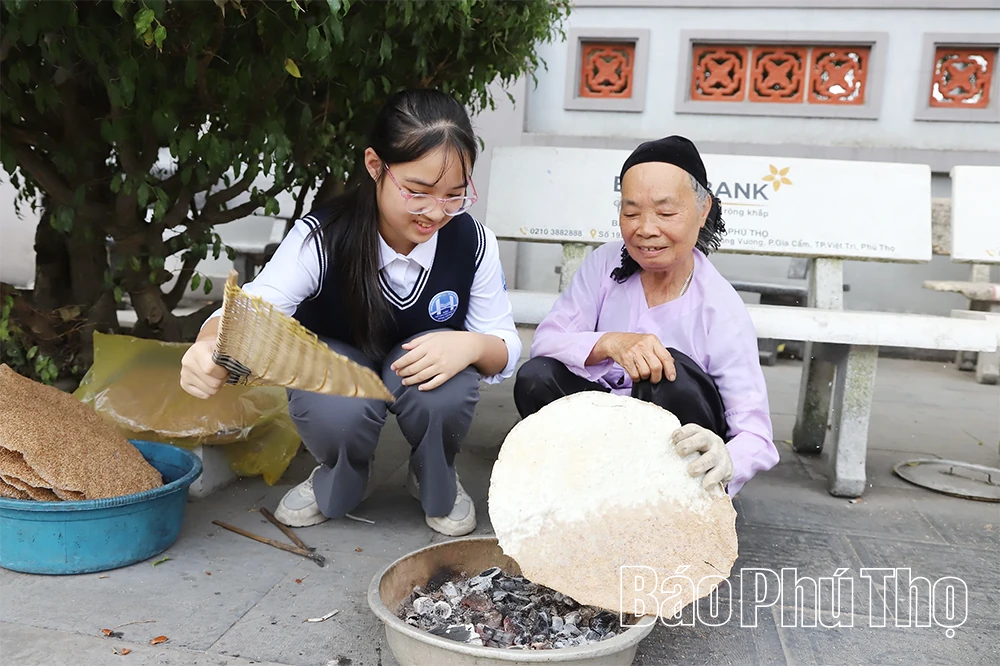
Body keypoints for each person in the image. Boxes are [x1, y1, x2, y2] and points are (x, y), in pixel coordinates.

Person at [179, 88, 521, 536]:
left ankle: (434, 475)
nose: (436, 213)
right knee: (335, 406)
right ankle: (341, 475)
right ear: (375, 166)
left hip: (417, 367)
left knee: (448, 390)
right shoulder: (321, 238)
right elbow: (254, 309)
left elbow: (506, 344)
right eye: (417, 192)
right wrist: (208, 346)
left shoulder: (473, 242)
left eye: (454, 195)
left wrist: (472, 344)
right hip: (339, 366)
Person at [513, 135, 778, 497]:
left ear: (703, 211)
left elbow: (755, 433)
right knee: (537, 376)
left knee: (668, 373)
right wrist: (610, 342)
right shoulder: (605, 264)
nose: (645, 229)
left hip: (673, 449)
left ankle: (671, 505)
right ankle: (586, 490)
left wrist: (727, 458)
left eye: (666, 213)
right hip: (602, 434)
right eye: (631, 212)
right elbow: (546, 341)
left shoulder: (720, 307)